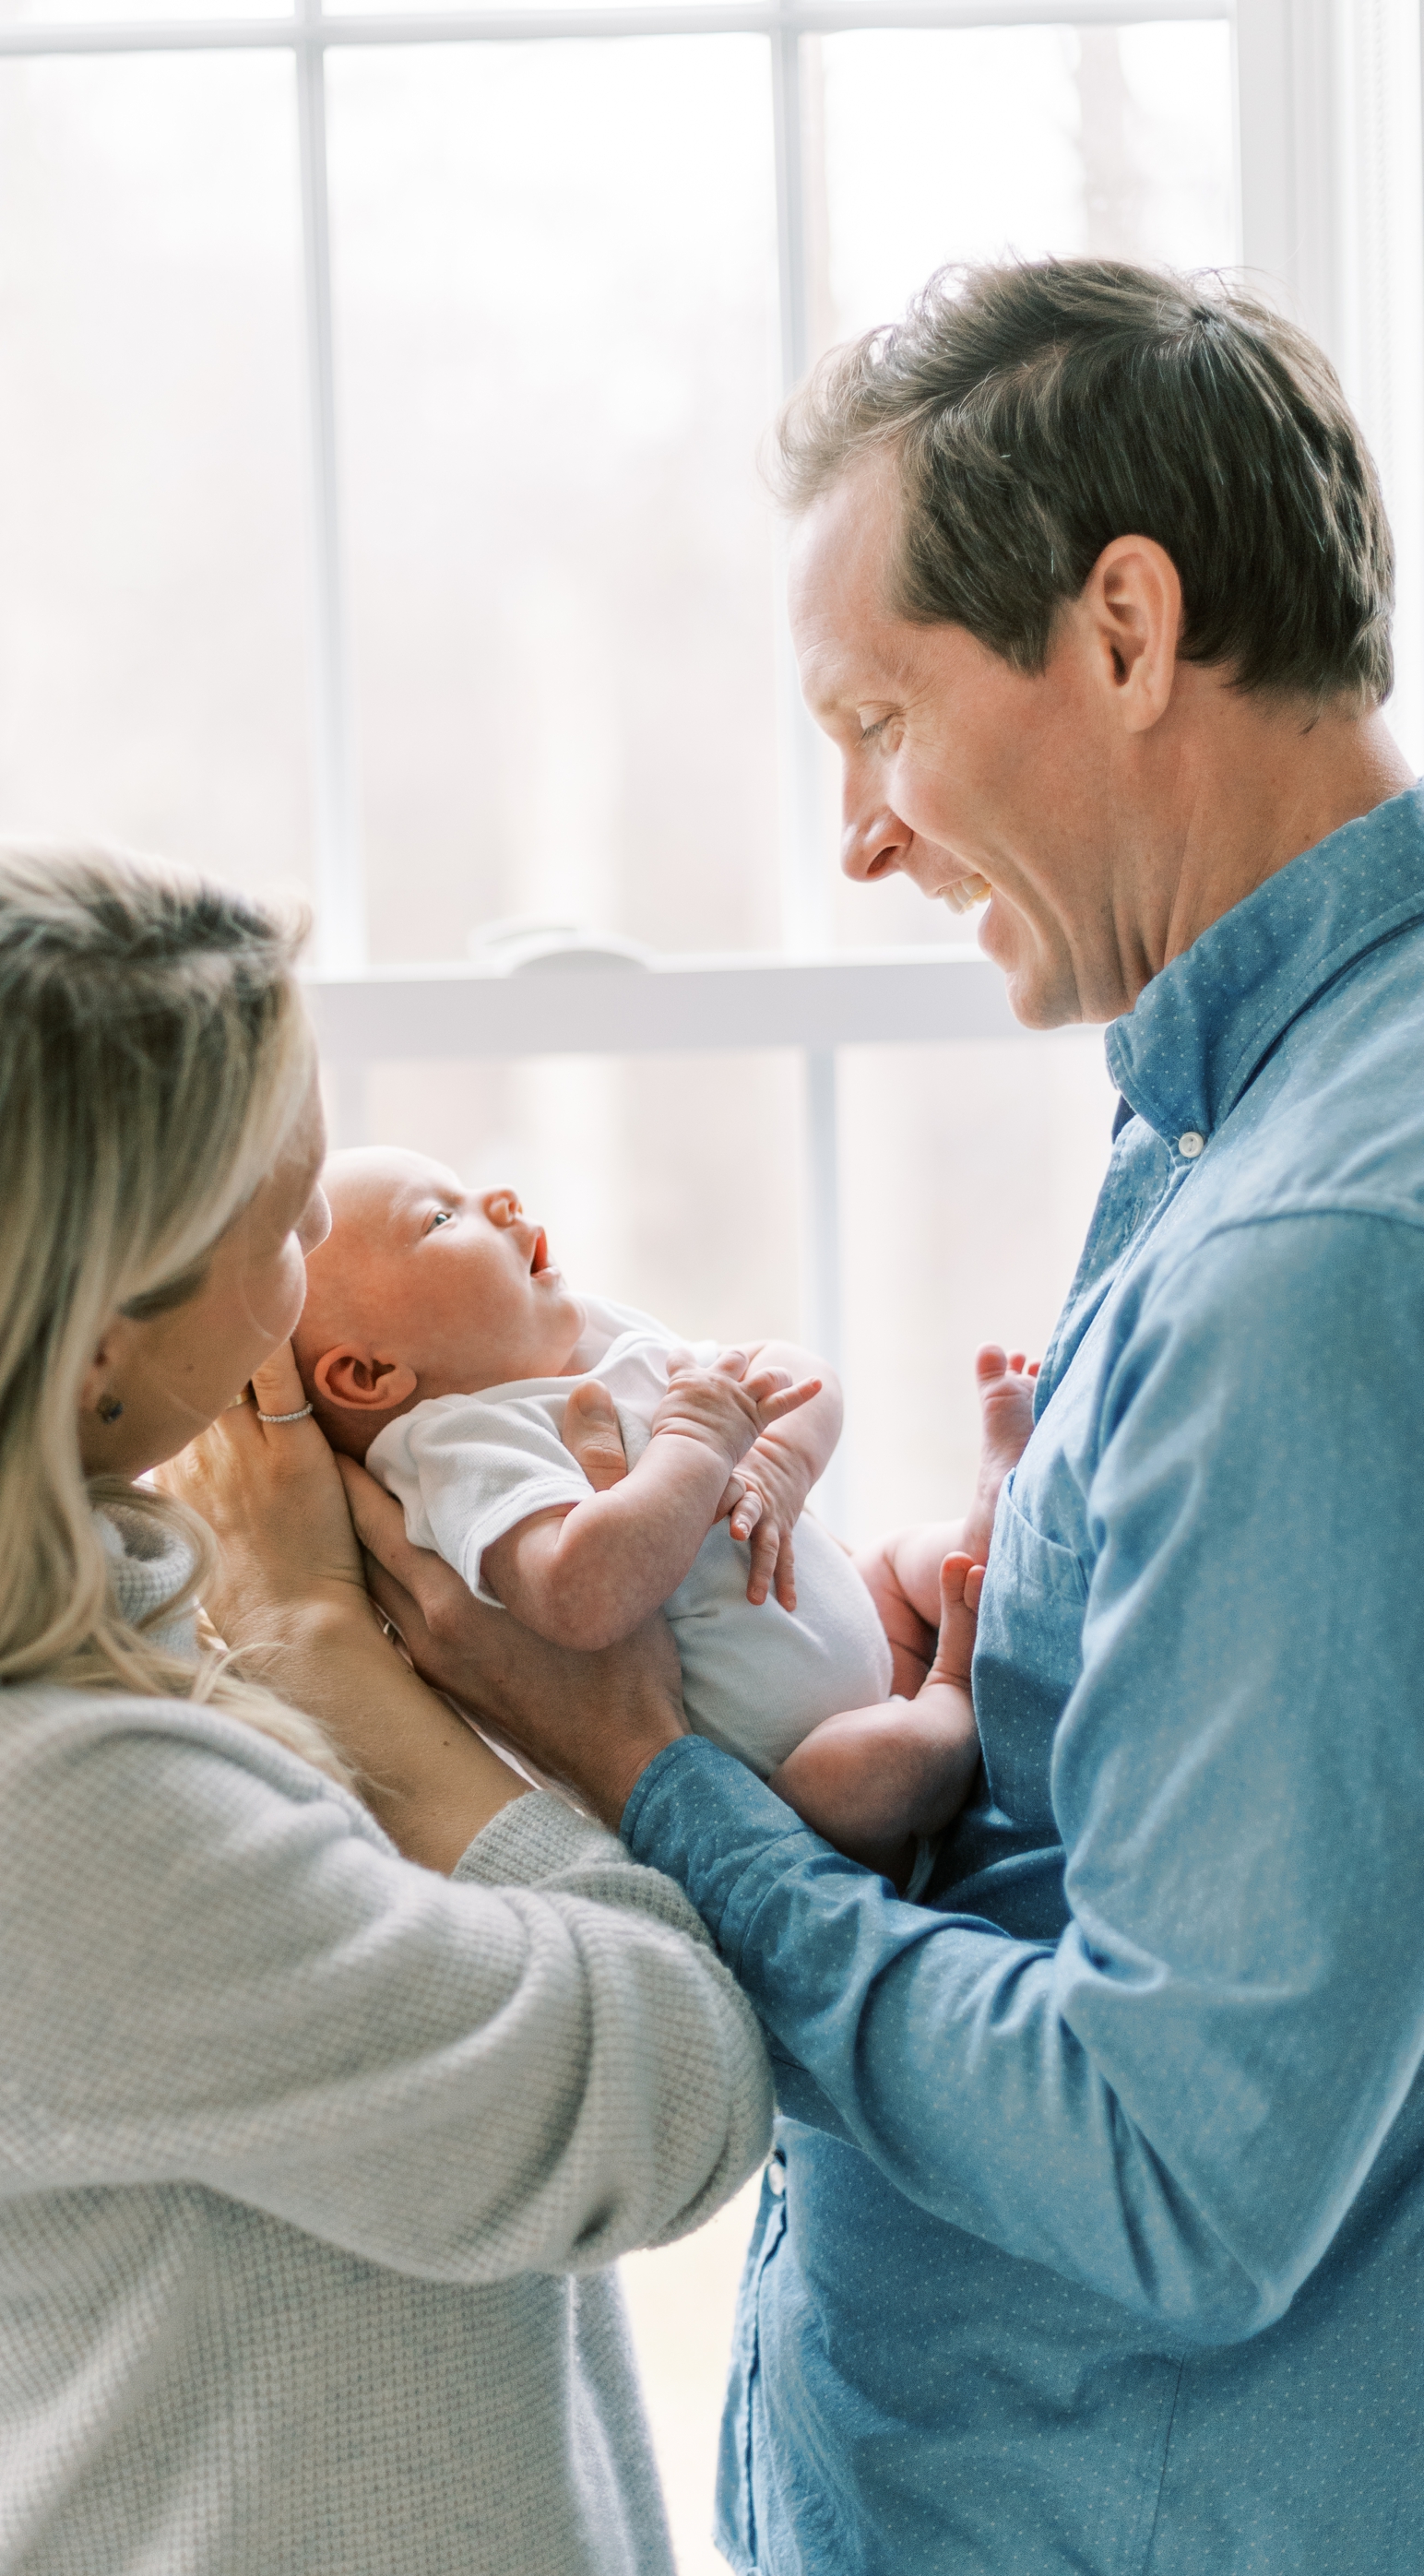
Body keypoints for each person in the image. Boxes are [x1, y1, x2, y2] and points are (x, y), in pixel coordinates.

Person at [343, 260, 1424, 2574]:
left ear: (1123, 632)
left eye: (877, 720)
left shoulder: (1316, 1251)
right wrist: (1022, 1673)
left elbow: (1175, 2167)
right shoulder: (1242, 1121)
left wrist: (644, 1771)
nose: (855, 834)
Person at [0, 849, 775, 2576]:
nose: (308, 1261)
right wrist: (336, 1656)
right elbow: (666, 2095)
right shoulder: (12, 1813)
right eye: (281, 1227)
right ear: (98, 1345)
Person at [296, 1145, 1020, 1882]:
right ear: (371, 1374)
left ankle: (997, 1527)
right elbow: (576, 1595)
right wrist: (698, 1440)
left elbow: (792, 1373)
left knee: (915, 1562)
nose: (503, 1197)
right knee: (870, 1770)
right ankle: (954, 1690)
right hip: (804, 1783)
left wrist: (779, 1464)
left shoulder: (594, 1336)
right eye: (442, 1217)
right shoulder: (460, 1448)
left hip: (864, 1615)